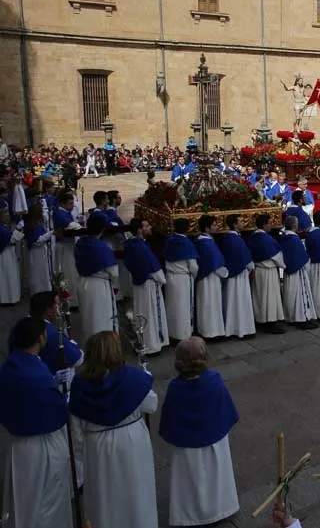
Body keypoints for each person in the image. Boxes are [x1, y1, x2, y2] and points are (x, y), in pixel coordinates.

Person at [70, 331, 159, 528]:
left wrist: (81, 459)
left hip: (97, 446)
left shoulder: (79, 385)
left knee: (104, 499)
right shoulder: (133, 378)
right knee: (137, 493)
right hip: (131, 441)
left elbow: (75, 430)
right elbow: (151, 405)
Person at [0, 317, 75, 528]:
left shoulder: (12, 366)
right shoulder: (35, 376)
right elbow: (57, 408)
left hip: (19, 445)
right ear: (41, 338)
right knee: (48, 503)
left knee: (24, 501)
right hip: (42, 446)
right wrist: (64, 396)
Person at [159, 337, 240, 525]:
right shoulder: (215, 381)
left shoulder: (175, 388)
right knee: (216, 475)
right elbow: (226, 409)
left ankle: (190, 514)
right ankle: (220, 508)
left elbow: (169, 418)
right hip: (214, 439)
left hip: (186, 445)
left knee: (189, 479)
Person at [123, 218, 168, 354]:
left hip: (139, 284)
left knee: (142, 312)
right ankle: (152, 345)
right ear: (139, 230)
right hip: (149, 285)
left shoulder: (130, 244)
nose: (150, 227)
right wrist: (162, 279)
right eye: (147, 226)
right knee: (151, 313)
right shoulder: (141, 247)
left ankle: (144, 341)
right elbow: (153, 267)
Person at [75, 214, 119, 336]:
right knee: (101, 320)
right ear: (102, 229)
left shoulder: (80, 243)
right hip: (99, 287)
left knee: (88, 320)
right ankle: (103, 346)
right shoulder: (102, 247)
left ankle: (90, 343)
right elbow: (114, 272)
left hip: (83, 283)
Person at [218, 214, 257, 339]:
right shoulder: (236, 240)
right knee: (240, 301)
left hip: (231, 275)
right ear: (234, 224)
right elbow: (245, 257)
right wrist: (251, 267)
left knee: (231, 302)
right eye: (240, 221)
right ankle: (242, 329)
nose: (243, 223)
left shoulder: (226, 239)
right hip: (239, 275)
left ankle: (232, 329)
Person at [247, 213, 287, 333]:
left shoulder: (253, 237)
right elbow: (276, 256)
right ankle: (270, 322)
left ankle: (261, 320)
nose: (271, 225)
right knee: (270, 298)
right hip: (268, 272)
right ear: (264, 225)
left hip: (258, 270)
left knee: (260, 297)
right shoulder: (266, 239)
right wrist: (283, 265)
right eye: (269, 223)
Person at [279, 215, 319, 330]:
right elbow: (302, 256)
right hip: (298, 271)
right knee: (300, 296)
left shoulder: (284, 237)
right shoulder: (294, 240)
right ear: (294, 225)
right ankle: (302, 318)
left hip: (288, 271)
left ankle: (292, 317)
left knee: (290, 295)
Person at [164, 218, 199, 342]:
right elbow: (193, 266)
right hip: (183, 279)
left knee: (172, 306)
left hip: (170, 277)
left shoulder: (169, 240)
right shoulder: (186, 243)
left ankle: (172, 333)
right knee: (183, 308)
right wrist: (194, 276)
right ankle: (183, 335)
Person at [194, 215, 228, 339]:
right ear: (207, 228)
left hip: (207, 278)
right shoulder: (206, 243)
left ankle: (209, 331)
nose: (216, 227)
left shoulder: (203, 241)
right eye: (214, 225)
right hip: (210, 278)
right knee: (210, 304)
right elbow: (214, 261)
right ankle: (211, 332)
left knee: (208, 304)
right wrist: (224, 273)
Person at [52, 191, 81, 310]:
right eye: (70, 203)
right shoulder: (59, 213)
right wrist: (78, 226)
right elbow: (68, 225)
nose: (73, 206)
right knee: (68, 273)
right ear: (63, 203)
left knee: (72, 273)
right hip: (64, 246)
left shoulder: (65, 212)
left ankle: (73, 300)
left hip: (69, 245)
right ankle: (69, 301)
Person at [25, 204, 55, 296]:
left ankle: (45, 291)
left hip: (42, 251)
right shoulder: (32, 226)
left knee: (44, 273)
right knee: (38, 274)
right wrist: (51, 233)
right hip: (36, 253)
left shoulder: (38, 224)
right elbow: (37, 241)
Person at [0, 208, 24, 305]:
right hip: (4, 255)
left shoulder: (4, 227)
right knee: (6, 276)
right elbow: (11, 239)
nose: (8, 216)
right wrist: (18, 228)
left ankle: (12, 297)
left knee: (10, 275)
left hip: (9, 253)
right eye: (5, 214)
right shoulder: (1, 229)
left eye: (8, 213)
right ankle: (7, 299)